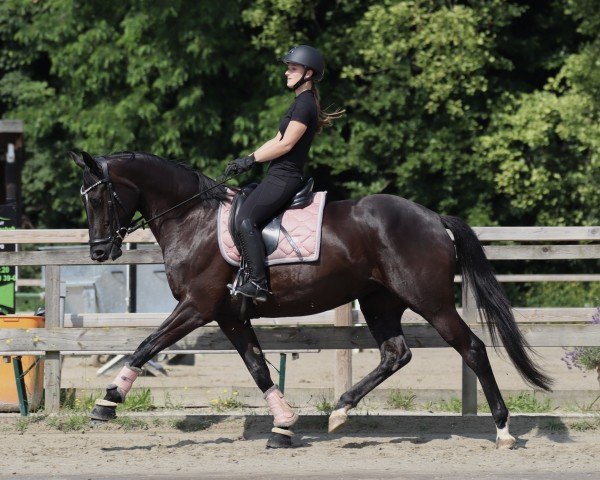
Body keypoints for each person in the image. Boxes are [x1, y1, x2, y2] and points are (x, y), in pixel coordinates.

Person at [224, 45, 343, 301]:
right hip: (276, 174)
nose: (286, 74)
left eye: (292, 69)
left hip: (285, 177)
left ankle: (258, 284)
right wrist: (246, 159)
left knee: (246, 220)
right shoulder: (299, 102)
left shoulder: (305, 105)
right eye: (288, 69)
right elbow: (276, 138)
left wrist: (251, 160)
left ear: (308, 73)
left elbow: (286, 145)